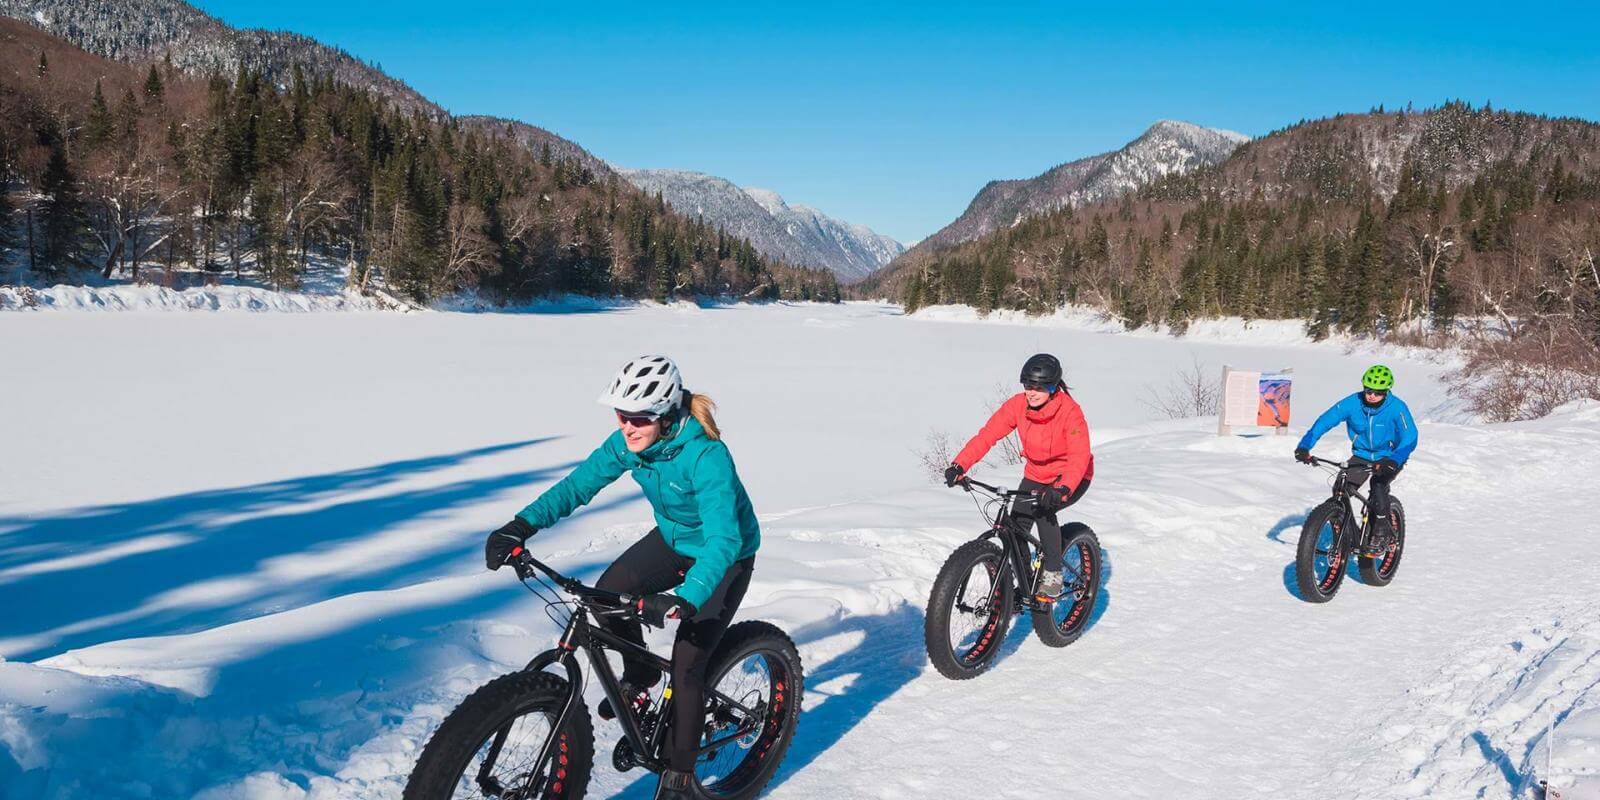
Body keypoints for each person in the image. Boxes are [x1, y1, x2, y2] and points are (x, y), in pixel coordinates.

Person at [483, 355, 760, 800]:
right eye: (620, 415)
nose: (626, 427)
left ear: (666, 413)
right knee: (607, 595)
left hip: (725, 556)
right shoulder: (627, 444)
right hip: (673, 540)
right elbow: (578, 486)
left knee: (689, 664)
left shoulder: (707, 455)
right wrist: (520, 525)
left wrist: (686, 598)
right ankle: (642, 679)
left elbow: (724, 538)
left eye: (638, 418)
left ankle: (681, 780)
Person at [943, 353, 1094, 604]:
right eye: (1027, 385)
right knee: (1016, 530)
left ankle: (1053, 575)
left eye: (1039, 387)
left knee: (1044, 513)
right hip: (1036, 475)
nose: (1032, 392)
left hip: (1070, 477)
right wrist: (960, 464)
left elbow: (1079, 456)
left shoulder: (1071, 413)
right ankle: (1025, 584)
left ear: (1054, 387)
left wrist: (1063, 488)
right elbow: (988, 435)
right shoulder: (1017, 406)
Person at [1294, 364, 1418, 554]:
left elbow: (1410, 437)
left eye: (1378, 393)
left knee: (1378, 488)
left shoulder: (1397, 408)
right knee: (1341, 490)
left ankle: (1382, 530)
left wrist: (1395, 459)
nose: (1371, 396)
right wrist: (1305, 445)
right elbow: (1325, 421)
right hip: (1361, 455)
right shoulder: (1353, 403)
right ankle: (1348, 533)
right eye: (1368, 390)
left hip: (1389, 456)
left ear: (1386, 391)